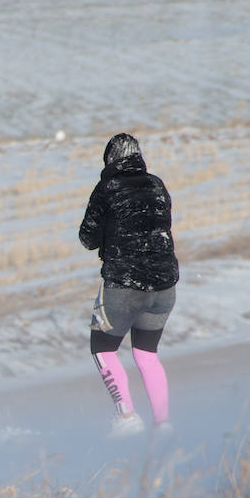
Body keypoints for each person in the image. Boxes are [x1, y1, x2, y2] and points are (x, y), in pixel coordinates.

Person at [78, 133, 179, 436]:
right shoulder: (157, 185)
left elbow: (87, 237)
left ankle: (127, 418)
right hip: (164, 286)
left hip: (124, 283)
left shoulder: (107, 188)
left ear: (109, 159)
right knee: (147, 354)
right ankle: (163, 424)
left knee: (103, 348)